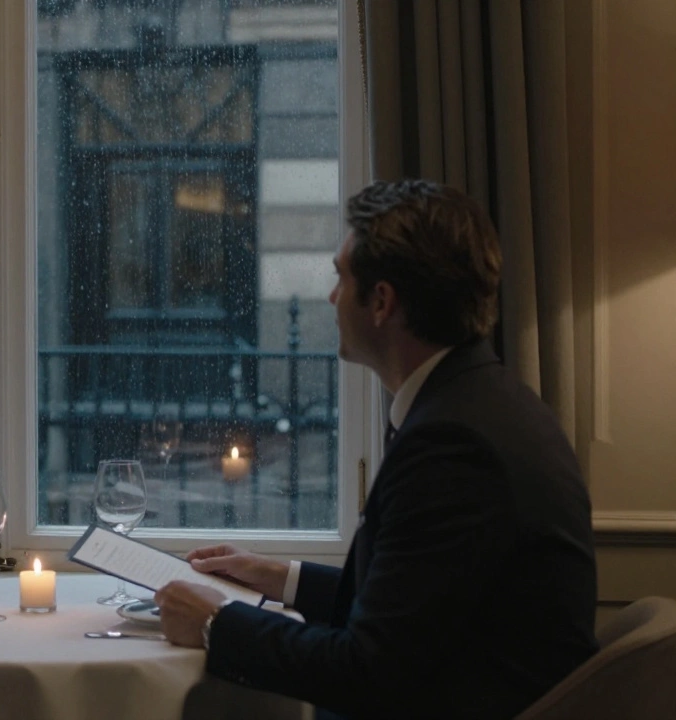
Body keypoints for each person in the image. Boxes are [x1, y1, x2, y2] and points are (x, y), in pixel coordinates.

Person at [154, 179, 598, 719]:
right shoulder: (483, 403)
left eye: (341, 278)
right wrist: (280, 578)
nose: (332, 296)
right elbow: (414, 608)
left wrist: (214, 623)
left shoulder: (453, 446)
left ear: (382, 302)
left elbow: (365, 671)